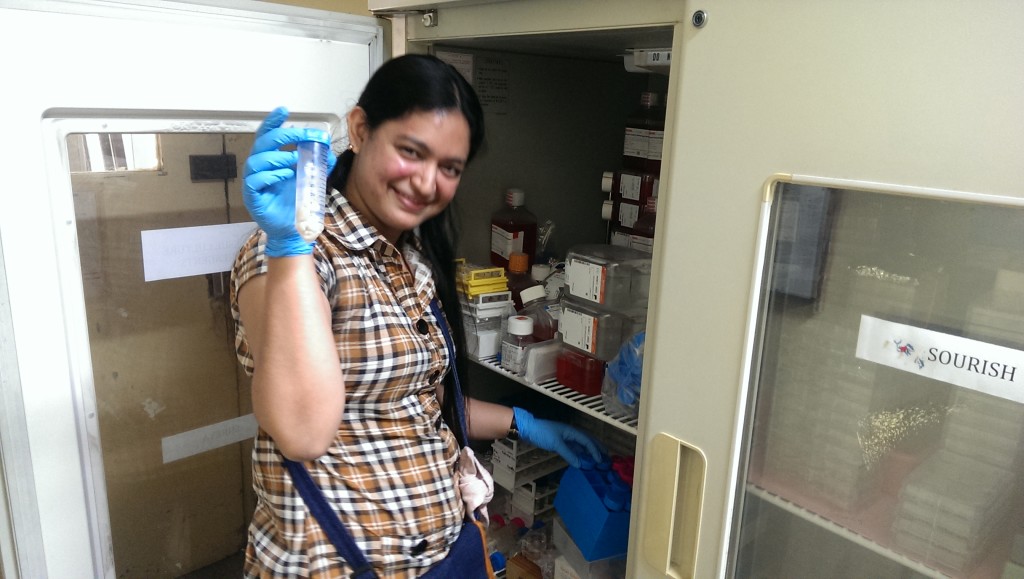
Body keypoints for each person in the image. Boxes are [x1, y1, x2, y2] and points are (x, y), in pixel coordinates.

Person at [230, 54, 604, 578]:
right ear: (360, 130)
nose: (428, 183)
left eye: (449, 168)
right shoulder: (291, 260)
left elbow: (409, 404)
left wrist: (522, 423)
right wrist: (289, 247)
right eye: (411, 151)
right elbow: (301, 432)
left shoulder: (410, 260)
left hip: (447, 551)